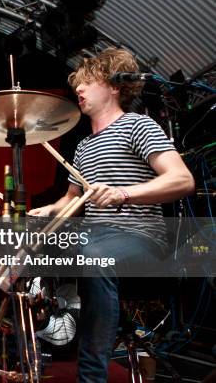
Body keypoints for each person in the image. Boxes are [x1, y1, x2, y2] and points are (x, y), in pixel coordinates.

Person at [28, 48, 194, 382]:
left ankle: (91, 376)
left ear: (114, 86)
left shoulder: (138, 126)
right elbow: (71, 200)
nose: (80, 89)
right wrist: (48, 210)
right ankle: (38, 343)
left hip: (140, 241)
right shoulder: (83, 147)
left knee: (96, 256)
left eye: (87, 81)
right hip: (95, 239)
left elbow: (183, 179)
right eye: (78, 85)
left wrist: (123, 193)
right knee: (20, 248)